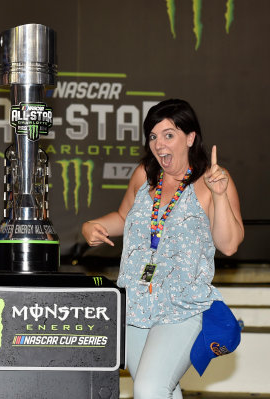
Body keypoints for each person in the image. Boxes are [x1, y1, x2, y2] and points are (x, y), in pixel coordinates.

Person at [81, 99, 243, 399]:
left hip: (182, 307)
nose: (159, 144)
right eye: (153, 136)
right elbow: (122, 217)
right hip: (136, 304)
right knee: (159, 390)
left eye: (169, 134)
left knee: (149, 388)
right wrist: (91, 225)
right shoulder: (144, 174)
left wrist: (219, 196)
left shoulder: (212, 181)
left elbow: (229, 244)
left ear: (190, 137)